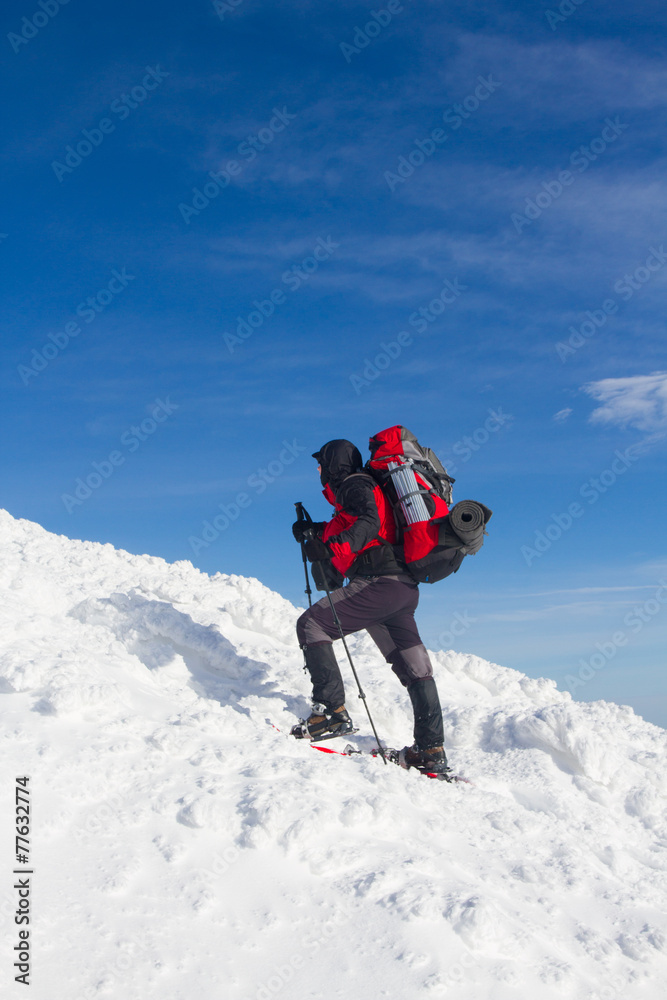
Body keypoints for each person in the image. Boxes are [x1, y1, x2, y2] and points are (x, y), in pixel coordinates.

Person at [292, 438, 449, 773]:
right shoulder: (361, 488)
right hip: (402, 589)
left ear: (335, 463)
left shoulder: (355, 484)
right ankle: (430, 749)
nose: (318, 470)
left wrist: (333, 545)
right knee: (415, 668)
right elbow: (369, 526)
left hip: (379, 584)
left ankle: (330, 713)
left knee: (312, 625)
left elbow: (368, 522)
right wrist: (315, 531)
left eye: (321, 463)